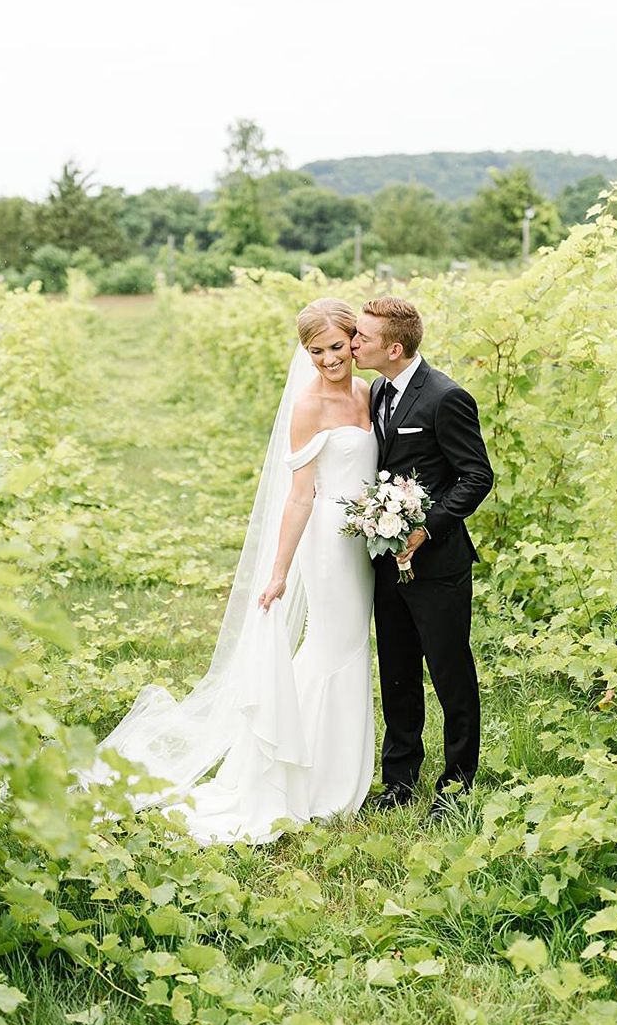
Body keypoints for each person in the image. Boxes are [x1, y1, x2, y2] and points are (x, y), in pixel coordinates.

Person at [86, 298, 377, 844]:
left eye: (337, 347)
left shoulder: (365, 393)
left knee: (352, 647)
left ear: (354, 340)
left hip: (364, 542)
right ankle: (302, 777)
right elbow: (299, 497)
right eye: (315, 352)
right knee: (330, 648)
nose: (328, 360)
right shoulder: (308, 405)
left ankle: (338, 770)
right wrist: (279, 571)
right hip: (326, 548)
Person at [350, 297, 493, 821]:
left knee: (450, 672)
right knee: (397, 670)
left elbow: (476, 477)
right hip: (384, 559)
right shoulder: (374, 392)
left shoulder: (446, 398)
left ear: (393, 346)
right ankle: (399, 779)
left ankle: (457, 785)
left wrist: (426, 529)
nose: (352, 342)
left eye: (361, 337)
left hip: (437, 564)